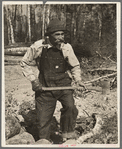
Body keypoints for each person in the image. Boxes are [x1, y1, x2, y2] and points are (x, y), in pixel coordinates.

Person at [20, 18, 85, 141]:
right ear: (49, 36)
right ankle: (43, 141)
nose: (61, 37)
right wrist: (34, 80)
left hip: (64, 85)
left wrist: (78, 80)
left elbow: (74, 66)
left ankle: (67, 137)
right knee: (43, 119)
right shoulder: (38, 46)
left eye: (62, 34)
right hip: (44, 88)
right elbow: (24, 62)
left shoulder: (66, 47)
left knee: (70, 108)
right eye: (57, 34)